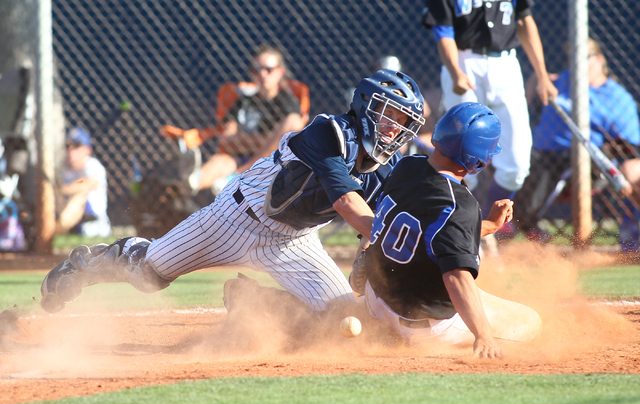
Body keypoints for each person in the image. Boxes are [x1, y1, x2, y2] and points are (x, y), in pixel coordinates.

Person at [39, 69, 426, 314]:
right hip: (233, 219)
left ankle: (255, 304)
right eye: (389, 113)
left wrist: (367, 258)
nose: (395, 127)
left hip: (294, 242)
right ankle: (90, 263)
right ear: (364, 107)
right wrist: (380, 232)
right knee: (147, 276)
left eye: (403, 120)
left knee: (344, 317)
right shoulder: (329, 132)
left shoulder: (384, 168)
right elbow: (347, 203)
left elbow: (368, 228)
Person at [350, 103, 543, 359]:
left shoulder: (407, 167)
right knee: (531, 322)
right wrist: (483, 335)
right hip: (424, 325)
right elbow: (456, 277)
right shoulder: (459, 204)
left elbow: (431, 229)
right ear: (478, 158)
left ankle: (383, 321)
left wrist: (491, 226)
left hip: (377, 297)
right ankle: (410, 341)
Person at [421, 0, 558, 217]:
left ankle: (486, 226)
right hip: (464, 60)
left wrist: (542, 74)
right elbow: (443, 31)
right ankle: (463, 226)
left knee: (517, 166)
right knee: (460, 160)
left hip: (506, 65)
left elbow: (524, 19)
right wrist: (455, 71)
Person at [513, 38, 640, 249]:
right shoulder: (563, 80)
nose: (576, 67)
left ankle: (521, 225)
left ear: (599, 60)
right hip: (538, 154)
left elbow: (629, 147)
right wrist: (537, 80)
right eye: (572, 61)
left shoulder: (616, 97)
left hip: (580, 162)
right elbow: (540, 78)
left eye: (583, 60)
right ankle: (510, 234)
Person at [161, 45, 306, 194]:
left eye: (268, 69)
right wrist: (267, 140)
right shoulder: (244, 101)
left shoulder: (288, 102)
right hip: (237, 160)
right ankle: (193, 181)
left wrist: (245, 142)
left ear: (280, 72)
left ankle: (243, 173)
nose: (262, 74)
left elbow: (289, 138)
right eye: (256, 70)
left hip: (271, 162)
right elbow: (227, 140)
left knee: (292, 121)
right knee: (222, 160)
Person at [56, 127, 111, 238]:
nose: (71, 150)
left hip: (93, 223)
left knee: (80, 194)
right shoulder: (63, 169)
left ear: (88, 149)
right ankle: (55, 227)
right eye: (68, 146)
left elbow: (88, 184)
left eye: (76, 146)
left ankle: (56, 229)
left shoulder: (93, 165)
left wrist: (65, 189)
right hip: (70, 220)